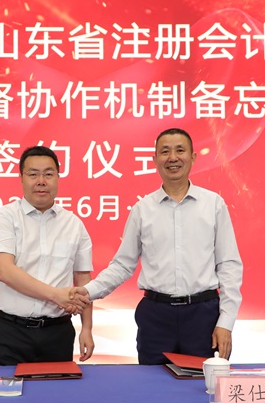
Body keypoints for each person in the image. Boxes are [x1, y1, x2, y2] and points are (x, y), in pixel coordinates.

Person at [73, 128, 243, 364]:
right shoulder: (142, 209)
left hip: (203, 316)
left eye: (180, 150)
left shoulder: (213, 204)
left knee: (202, 385)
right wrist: (87, 292)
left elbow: (229, 265)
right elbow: (122, 265)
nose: (173, 158)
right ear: (154, 160)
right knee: (153, 383)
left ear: (193, 157)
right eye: (165, 152)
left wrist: (226, 322)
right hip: (156, 317)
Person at [0, 145, 94, 365]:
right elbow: (5, 271)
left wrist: (87, 328)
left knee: (55, 389)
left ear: (58, 178)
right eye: (33, 174)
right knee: (6, 388)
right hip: (9, 332)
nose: (41, 181)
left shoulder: (74, 224)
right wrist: (56, 295)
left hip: (58, 333)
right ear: (21, 178)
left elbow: (83, 279)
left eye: (48, 174)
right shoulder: (5, 217)